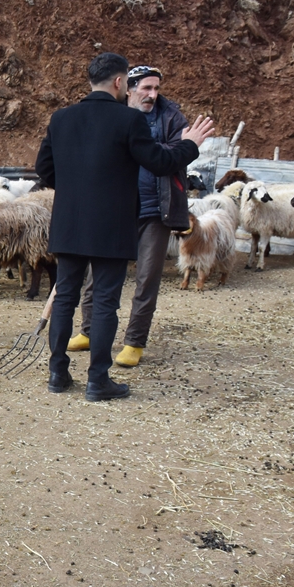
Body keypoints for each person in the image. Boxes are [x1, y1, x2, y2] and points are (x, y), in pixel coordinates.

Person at [35, 52, 213, 402]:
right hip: (112, 225)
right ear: (119, 82)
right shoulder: (129, 120)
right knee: (104, 301)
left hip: (69, 223)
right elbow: (161, 162)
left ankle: (58, 373)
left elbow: (45, 168)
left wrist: (76, 192)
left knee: (66, 297)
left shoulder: (61, 119)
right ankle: (97, 381)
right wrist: (190, 143)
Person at [67, 65, 197, 368]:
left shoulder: (172, 117)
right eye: (145, 88)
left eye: (156, 88)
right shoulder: (112, 113)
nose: (152, 94)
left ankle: (134, 341)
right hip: (115, 207)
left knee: (147, 277)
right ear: (129, 87)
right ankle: (88, 330)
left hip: (155, 208)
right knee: (95, 273)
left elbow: (180, 151)